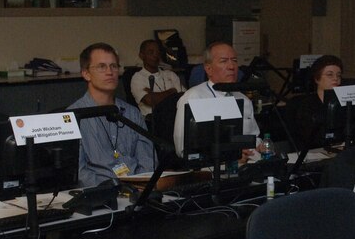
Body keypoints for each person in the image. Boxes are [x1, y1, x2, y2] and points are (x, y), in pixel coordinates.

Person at [67, 43, 155, 187]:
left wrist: (139, 187)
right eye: (102, 66)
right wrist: (115, 190)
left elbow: (148, 160)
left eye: (114, 66)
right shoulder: (73, 117)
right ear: (86, 74)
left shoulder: (132, 113)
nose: (110, 72)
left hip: (138, 191)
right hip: (99, 196)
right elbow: (79, 173)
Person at [173, 41, 261, 159]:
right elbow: (183, 149)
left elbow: (253, 137)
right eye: (224, 61)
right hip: (211, 169)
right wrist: (230, 155)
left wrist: (260, 145)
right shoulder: (194, 97)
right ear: (208, 68)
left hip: (248, 165)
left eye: (234, 60)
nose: (231, 67)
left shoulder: (243, 99)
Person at [288, 54, 344, 149]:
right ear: (317, 79)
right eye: (330, 74)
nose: (336, 78)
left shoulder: (343, 102)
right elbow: (306, 137)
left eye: (338, 75)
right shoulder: (304, 105)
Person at [129, 39, 184, 118]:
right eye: (151, 52)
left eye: (158, 52)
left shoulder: (170, 74)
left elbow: (183, 97)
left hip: (175, 116)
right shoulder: (137, 78)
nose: (155, 55)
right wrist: (172, 91)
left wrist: (154, 94)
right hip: (153, 121)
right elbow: (150, 100)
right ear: (141, 56)